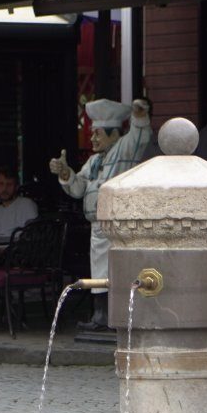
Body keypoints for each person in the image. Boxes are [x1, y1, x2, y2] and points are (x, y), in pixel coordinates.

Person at [54, 97, 154, 334]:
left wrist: (139, 116)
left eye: (98, 134)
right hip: (98, 225)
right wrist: (66, 173)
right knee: (99, 270)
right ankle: (102, 315)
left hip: (118, 223)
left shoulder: (123, 150)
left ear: (114, 136)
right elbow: (78, 188)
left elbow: (139, 137)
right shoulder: (93, 160)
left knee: (120, 269)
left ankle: (117, 316)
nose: (93, 138)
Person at [0, 166, 38, 241]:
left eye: (9, 184)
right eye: (1, 184)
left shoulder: (26, 205)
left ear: (16, 186)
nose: (4, 189)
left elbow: (34, 236)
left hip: (17, 251)